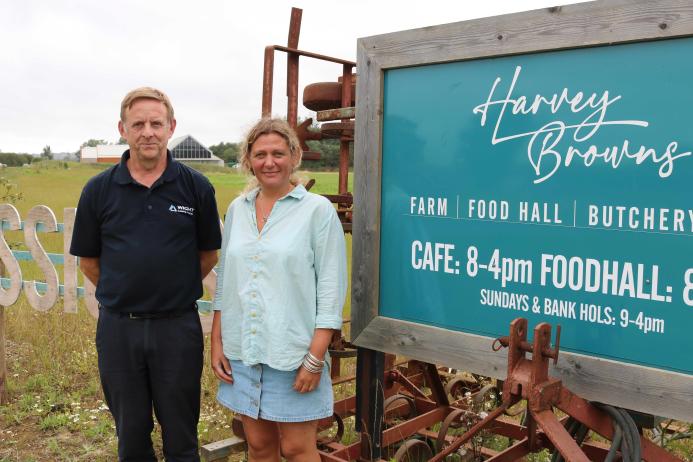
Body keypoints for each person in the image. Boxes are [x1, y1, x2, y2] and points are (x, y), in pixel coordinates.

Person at [70, 87, 222, 462]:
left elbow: (208, 254)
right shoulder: (99, 190)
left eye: (156, 123)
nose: (148, 132)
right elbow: (88, 261)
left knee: (181, 434)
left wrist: (171, 289)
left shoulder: (196, 187)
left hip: (178, 329)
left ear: (171, 127)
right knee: (132, 435)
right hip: (119, 330)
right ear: (123, 129)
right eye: (138, 124)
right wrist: (125, 292)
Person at [211, 118, 347, 462]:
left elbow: (331, 291)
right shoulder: (237, 210)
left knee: (297, 448)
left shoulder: (317, 211)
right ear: (248, 160)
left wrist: (316, 358)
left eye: (277, 153)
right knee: (258, 446)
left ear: (294, 156)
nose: (269, 162)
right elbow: (226, 280)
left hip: (293, 353)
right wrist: (217, 342)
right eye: (260, 154)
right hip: (243, 349)